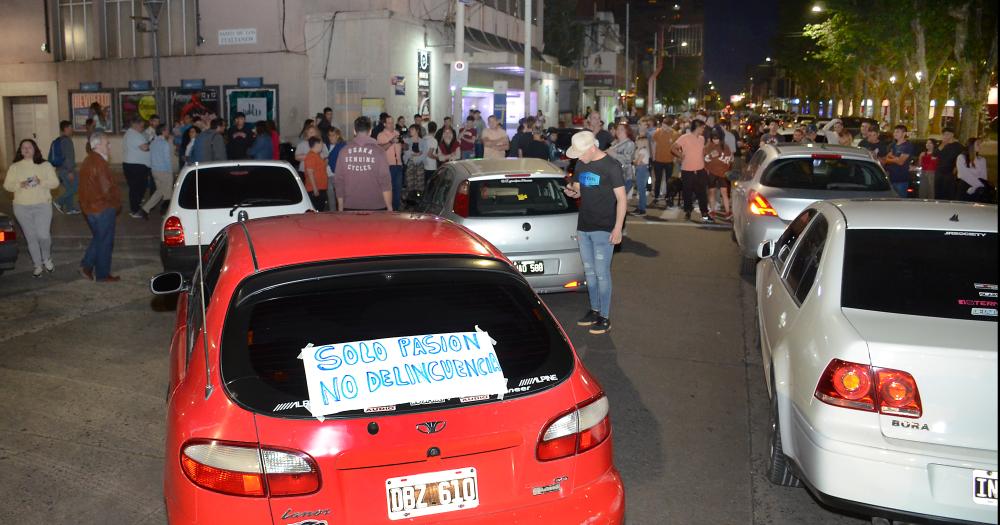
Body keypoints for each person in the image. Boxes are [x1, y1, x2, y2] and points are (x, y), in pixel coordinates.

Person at [562, 131, 626, 335]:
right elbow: (580, 189)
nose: (578, 158)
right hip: (584, 227)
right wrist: (572, 191)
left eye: (580, 153)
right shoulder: (581, 164)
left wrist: (617, 228)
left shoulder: (611, 166)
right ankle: (594, 309)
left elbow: (622, 199)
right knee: (589, 273)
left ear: (592, 148)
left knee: (602, 274)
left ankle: (604, 317)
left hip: (604, 228)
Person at [4, 139, 59, 277]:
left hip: (42, 206)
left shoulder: (45, 165)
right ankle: (37, 264)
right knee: (31, 237)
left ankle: (46, 258)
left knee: (43, 235)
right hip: (21, 207)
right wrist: (20, 184)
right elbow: (7, 186)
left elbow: (55, 183)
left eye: (29, 147)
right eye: (23, 147)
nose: (26, 149)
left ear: (35, 149)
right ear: (20, 151)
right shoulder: (15, 167)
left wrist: (41, 181)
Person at [78, 132, 121, 282]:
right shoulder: (99, 163)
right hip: (102, 207)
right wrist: (116, 203)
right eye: (106, 143)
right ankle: (102, 274)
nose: (109, 146)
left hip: (90, 208)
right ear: (97, 145)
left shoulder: (88, 160)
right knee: (105, 242)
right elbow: (107, 189)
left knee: (99, 238)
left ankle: (87, 266)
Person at [333, 116, 392, 211]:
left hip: (349, 206)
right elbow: (385, 181)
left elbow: (338, 181)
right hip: (376, 206)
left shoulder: (344, 151)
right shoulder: (379, 151)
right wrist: (389, 206)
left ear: (354, 131)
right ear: (370, 131)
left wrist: (340, 206)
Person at [672, 120, 711, 222]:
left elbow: (701, 152)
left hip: (700, 169)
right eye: (702, 127)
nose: (703, 130)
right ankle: (688, 211)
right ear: (697, 127)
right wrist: (681, 156)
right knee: (687, 192)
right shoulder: (684, 137)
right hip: (687, 170)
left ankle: (705, 213)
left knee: (702, 192)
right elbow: (673, 148)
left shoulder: (702, 139)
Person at [141, 124, 174, 218]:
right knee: (168, 194)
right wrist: (170, 171)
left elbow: (151, 156)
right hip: (164, 171)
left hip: (155, 170)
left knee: (159, 191)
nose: (168, 132)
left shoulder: (153, 142)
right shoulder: (164, 143)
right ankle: (165, 213)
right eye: (167, 130)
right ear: (163, 131)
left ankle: (145, 209)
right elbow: (167, 159)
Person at [122, 117, 152, 218]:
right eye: (141, 126)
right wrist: (151, 142)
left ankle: (135, 208)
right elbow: (145, 147)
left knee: (138, 188)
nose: (142, 128)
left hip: (134, 165)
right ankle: (134, 210)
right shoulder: (134, 134)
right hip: (136, 166)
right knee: (137, 188)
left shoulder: (132, 134)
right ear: (135, 124)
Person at [50, 120, 80, 214]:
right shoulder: (67, 141)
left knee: (69, 189)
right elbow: (68, 157)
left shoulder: (60, 139)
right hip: (67, 170)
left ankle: (70, 209)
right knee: (76, 187)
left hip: (61, 169)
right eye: (71, 127)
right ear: (66, 128)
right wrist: (70, 171)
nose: (72, 129)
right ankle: (58, 201)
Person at [376, 114, 404, 211]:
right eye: (389, 123)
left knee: (398, 190)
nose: (392, 125)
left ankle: (395, 211)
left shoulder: (397, 133)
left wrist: (404, 144)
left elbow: (403, 147)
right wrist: (391, 141)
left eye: (393, 122)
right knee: (388, 190)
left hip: (399, 166)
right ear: (384, 124)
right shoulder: (381, 135)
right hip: (388, 166)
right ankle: (388, 210)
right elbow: (380, 149)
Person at [704, 130, 734, 220]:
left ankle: (727, 212)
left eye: (717, 139)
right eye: (714, 139)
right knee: (712, 192)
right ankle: (712, 211)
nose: (716, 141)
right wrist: (710, 156)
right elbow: (704, 159)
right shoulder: (708, 146)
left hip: (722, 173)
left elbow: (729, 159)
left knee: (724, 192)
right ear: (711, 139)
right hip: (712, 172)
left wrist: (728, 161)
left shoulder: (725, 146)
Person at [651, 117, 677, 207]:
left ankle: (668, 198)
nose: (663, 127)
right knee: (658, 180)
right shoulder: (657, 132)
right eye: (662, 125)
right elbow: (654, 144)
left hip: (669, 160)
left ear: (670, 126)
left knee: (668, 181)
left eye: (665, 125)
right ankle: (656, 197)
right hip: (658, 160)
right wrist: (654, 157)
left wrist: (675, 158)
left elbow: (677, 147)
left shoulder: (674, 134)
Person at [883, 125, 914, 197]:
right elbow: (886, 158)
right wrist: (895, 159)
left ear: (904, 134)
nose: (895, 133)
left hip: (901, 179)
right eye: (894, 132)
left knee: (901, 202)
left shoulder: (907, 145)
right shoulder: (893, 145)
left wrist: (890, 159)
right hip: (891, 178)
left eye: (897, 132)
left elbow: (900, 162)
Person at [607, 123, 636, 196]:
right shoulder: (615, 143)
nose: (618, 131)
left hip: (624, 177)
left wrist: (614, 154)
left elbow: (628, 159)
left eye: (621, 129)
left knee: (620, 201)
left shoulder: (629, 143)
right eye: (617, 129)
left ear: (627, 131)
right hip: (614, 176)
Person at [935, 128, 964, 200]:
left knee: (948, 194)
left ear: (952, 135)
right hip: (939, 172)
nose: (945, 136)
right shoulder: (942, 145)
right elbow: (935, 155)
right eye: (944, 134)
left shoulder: (958, 146)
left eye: (947, 134)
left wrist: (956, 168)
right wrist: (943, 144)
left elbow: (962, 159)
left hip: (950, 173)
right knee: (938, 193)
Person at [303, 137, 329, 211]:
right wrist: (315, 188)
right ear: (317, 144)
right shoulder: (311, 156)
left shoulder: (316, 155)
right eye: (321, 144)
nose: (322, 146)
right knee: (317, 211)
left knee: (320, 209)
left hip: (320, 188)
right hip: (316, 189)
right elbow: (310, 172)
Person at [326, 127, 347, 210]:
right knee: (330, 196)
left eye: (333, 135)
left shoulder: (342, 146)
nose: (331, 137)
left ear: (338, 136)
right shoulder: (325, 145)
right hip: (327, 174)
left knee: (340, 195)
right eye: (329, 135)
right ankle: (333, 213)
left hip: (338, 174)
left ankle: (342, 212)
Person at [631, 137, 651, 216]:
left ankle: (642, 209)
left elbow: (638, 162)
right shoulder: (642, 150)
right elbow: (639, 162)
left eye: (638, 141)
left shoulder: (642, 150)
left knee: (641, 191)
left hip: (642, 170)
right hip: (642, 170)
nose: (636, 142)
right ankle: (640, 207)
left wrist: (633, 161)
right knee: (641, 190)